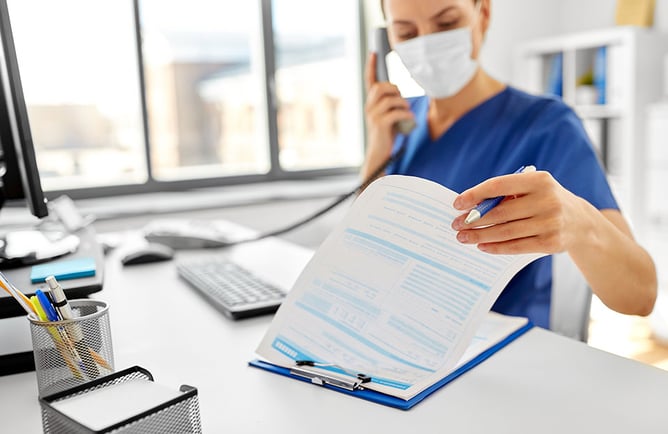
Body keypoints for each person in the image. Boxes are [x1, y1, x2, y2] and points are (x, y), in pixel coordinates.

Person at [362, 0, 657, 329]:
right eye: (406, 32)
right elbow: (365, 253)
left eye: (445, 24)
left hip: (503, 349)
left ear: (483, 14)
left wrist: (579, 224)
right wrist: (376, 151)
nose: (427, 43)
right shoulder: (396, 124)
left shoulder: (548, 125)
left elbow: (641, 295)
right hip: (403, 331)